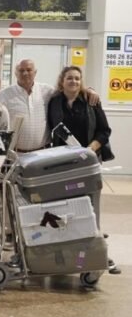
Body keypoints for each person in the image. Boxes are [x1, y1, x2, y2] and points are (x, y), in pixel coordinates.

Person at [47, 66, 119, 275]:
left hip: (88, 163)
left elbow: (104, 131)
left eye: (78, 79)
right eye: (70, 78)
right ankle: (66, 255)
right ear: (62, 81)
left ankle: (98, 256)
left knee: (91, 208)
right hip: (62, 164)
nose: (74, 82)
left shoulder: (91, 101)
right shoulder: (54, 102)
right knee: (64, 208)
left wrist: (89, 151)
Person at [0, 59, 100, 154]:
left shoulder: (47, 91)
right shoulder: (4, 95)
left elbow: (69, 90)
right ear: (15, 73)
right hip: (15, 153)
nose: (25, 73)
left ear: (35, 72)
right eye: (21, 70)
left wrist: (88, 90)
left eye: (29, 70)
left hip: (43, 153)